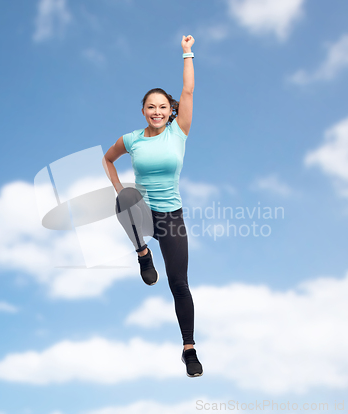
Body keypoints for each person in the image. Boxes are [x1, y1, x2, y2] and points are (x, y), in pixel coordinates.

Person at [102, 35, 202, 378]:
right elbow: (108, 159)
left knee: (179, 283)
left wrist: (187, 52)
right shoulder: (131, 139)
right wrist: (118, 188)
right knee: (126, 197)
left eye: (162, 107)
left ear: (170, 110)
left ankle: (188, 349)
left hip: (171, 217)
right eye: (151, 107)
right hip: (143, 214)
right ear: (143, 111)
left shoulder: (179, 132)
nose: (157, 112)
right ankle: (142, 252)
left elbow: (187, 92)